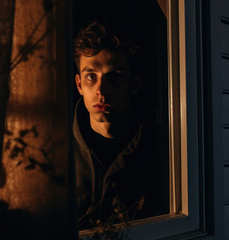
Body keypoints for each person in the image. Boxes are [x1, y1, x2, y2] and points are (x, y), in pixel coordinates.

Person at [73, 21, 163, 229]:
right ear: (79, 84)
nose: (101, 90)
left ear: (135, 84)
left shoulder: (162, 152)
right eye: (91, 77)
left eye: (114, 77)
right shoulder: (57, 149)